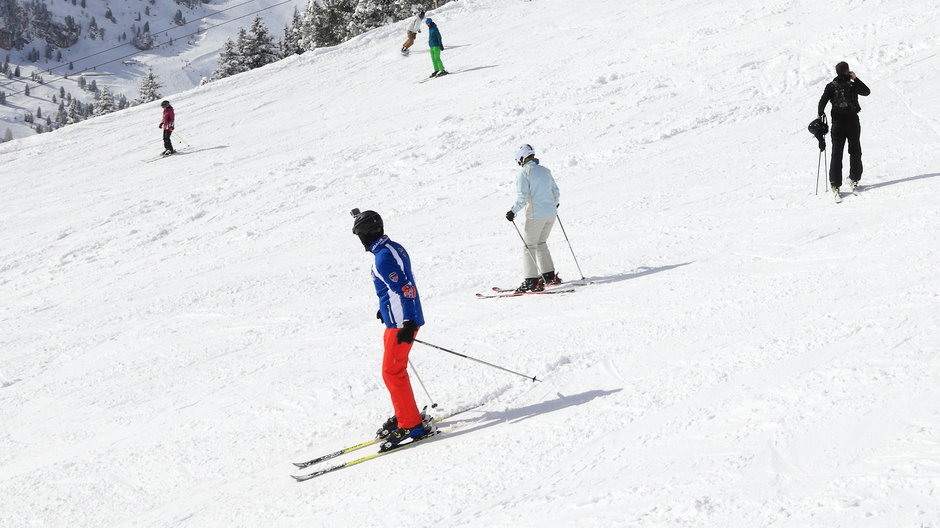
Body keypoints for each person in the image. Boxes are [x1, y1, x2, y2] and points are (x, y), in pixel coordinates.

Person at [350, 208, 430, 450]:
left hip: (400, 324)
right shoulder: (391, 247)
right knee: (395, 372)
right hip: (395, 319)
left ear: (366, 234)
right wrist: (383, 308)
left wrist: (408, 322)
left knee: (392, 373)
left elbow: (405, 289)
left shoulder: (383, 257)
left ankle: (411, 424)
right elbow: (394, 287)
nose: (360, 241)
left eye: (359, 235)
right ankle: (405, 413)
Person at [505, 144, 561, 293]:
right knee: (541, 242)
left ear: (522, 158)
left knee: (529, 246)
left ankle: (531, 281)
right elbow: (555, 191)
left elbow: (522, 197)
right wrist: (554, 204)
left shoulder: (525, 173)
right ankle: (548, 275)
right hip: (551, 214)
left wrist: (512, 211)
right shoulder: (545, 171)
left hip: (536, 215)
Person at [817, 61, 870, 196]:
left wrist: (820, 115)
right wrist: (855, 78)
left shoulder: (831, 86)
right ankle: (854, 179)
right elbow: (866, 92)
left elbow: (822, 102)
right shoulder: (852, 85)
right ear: (847, 72)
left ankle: (835, 184)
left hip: (838, 124)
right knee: (855, 150)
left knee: (836, 153)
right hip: (853, 122)